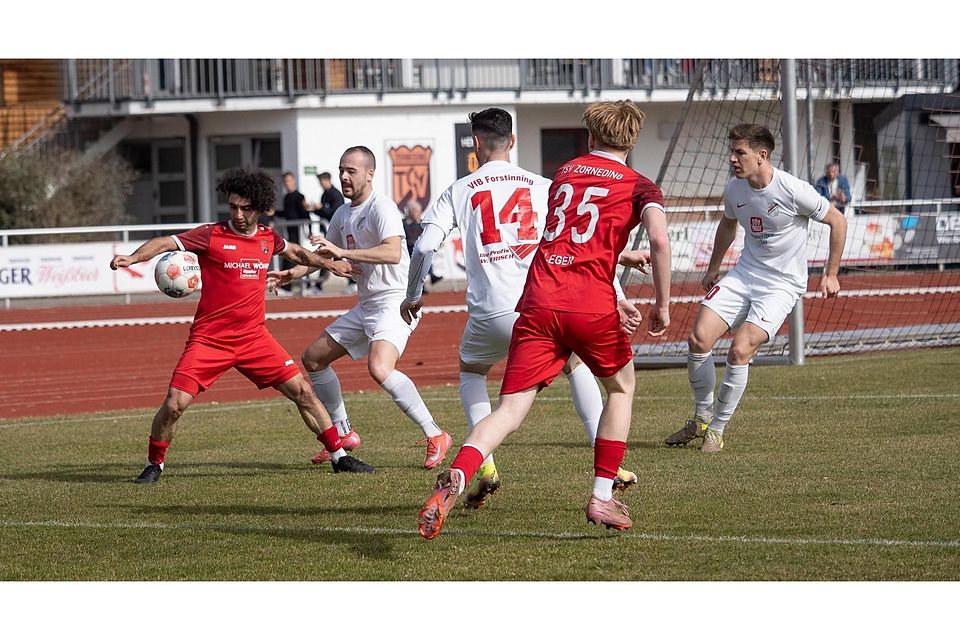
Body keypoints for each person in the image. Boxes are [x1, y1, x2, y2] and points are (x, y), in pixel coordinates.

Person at [416, 100, 672, 539]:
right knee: (621, 387)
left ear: (591, 137)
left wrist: (616, 254)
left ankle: (460, 471)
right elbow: (660, 242)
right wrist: (661, 305)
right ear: (632, 140)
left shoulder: (567, 172)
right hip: (589, 303)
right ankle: (602, 494)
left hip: (537, 299)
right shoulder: (640, 185)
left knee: (510, 408)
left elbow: (565, 238)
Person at [109, 167, 373, 483]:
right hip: (209, 340)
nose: (238, 214)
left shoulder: (267, 238)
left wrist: (330, 264)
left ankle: (339, 457)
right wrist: (133, 258)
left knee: (303, 391)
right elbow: (165, 242)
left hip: (254, 339)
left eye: (245, 208)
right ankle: (155, 463)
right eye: (233, 206)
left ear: (259, 208)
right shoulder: (211, 235)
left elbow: (297, 253)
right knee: (175, 404)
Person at [665, 124, 847, 453]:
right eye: (732, 152)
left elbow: (838, 220)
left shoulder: (794, 190)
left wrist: (831, 274)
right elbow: (728, 223)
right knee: (699, 338)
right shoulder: (734, 188)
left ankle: (716, 431)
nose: (732, 159)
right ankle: (702, 417)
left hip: (781, 285)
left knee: (740, 349)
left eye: (740, 153)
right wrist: (713, 267)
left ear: (762, 156)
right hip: (744, 273)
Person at [268, 146, 451, 469]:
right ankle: (343, 433)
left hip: (395, 302)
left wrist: (343, 252)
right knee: (313, 359)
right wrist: (292, 274)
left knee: (379, 368)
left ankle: (436, 434)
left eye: (351, 171)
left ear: (369, 174)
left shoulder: (382, 207)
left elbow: (392, 252)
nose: (344, 176)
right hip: (366, 305)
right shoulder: (342, 214)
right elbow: (325, 256)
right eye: (341, 170)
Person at [278, 172, 317, 293]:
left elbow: (305, 214)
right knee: (289, 256)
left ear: (294, 182)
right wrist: (274, 213)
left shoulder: (299, 196)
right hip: (290, 232)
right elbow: (286, 213)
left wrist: (310, 230)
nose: (287, 184)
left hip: (299, 232)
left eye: (289, 181)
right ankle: (287, 286)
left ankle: (306, 285)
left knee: (299, 256)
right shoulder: (286, 197)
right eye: (285, 182)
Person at [402, 200, 442, 286]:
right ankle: (430, 276)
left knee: (425, 251)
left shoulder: (423, 224)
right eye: (415, 211)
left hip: (420, 249)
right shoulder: (404, 224)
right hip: (408, 249)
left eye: (419, 211)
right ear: (410, 212)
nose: (418, 214)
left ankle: (430, 276)